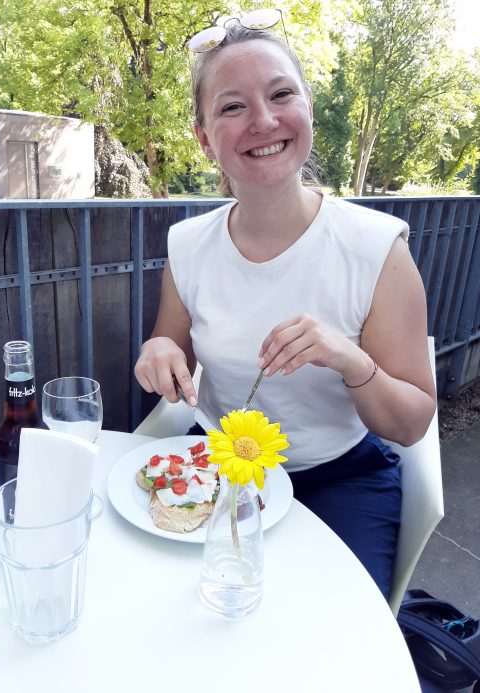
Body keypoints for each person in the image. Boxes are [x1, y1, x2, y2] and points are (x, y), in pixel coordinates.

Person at [134, 21, 436, 600]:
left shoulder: (378, 249)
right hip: (213, 468)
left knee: (335, 646)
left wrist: (353, 362)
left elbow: (412, 422)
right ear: (204, 138)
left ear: (308, 107)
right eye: (232, 106)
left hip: (338, 481)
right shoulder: (188, 244)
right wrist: (158, 352)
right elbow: (169, 350)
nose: (264, 121)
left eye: (280, 94)